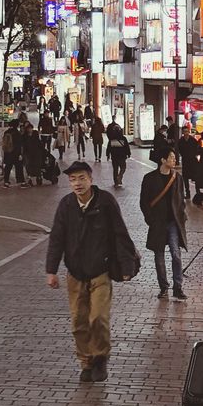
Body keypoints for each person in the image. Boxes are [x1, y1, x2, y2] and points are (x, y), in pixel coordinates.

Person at [45, 161, 139, 384]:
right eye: (72, 180)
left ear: (90, 179)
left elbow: (120, 233)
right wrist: (51, 270)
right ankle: (86, 361)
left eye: (81, 178)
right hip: (75, 273)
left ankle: (100, 357)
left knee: (98, 317)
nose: (77, 183)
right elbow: (57, 238)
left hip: (100, 271)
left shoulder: (105, 202)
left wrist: (127, 266)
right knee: (79, 321)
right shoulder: (66, 205)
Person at [140, 147, 187, 301]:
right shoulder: (149, 178)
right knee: (159, 256)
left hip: (173, 222)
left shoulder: (177, 177)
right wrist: (150, 219)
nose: (174, 160)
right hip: (157, 223)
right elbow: (144, 202)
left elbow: (181, 199)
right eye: (172, 157)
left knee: (176, 254)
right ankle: (164, 287)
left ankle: (178, 287)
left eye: (174, 157)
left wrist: (181, 216)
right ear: (163, 160)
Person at [105, 119, 131, 187]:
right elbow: (127, 147)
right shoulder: (123, 138)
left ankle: (116, 182)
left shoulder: (112, 139)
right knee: (123, 167)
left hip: (114, 156)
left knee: (115, 169)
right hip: (122, 156)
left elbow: (109, 148)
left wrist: (108, 155)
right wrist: (128, 153)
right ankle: (120, 176)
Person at [2, 120, 26, 187]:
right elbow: (19, 145)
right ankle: (21, 181)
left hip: (8, 153)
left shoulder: (6, 132)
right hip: (15, 153)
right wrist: (20, 154)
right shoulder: (17, 133)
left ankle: (6, 182)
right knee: (19, 167)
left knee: (8, 168)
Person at [179, 130, 201, 200]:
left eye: (187, 131)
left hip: (193, 161)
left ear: (189, 132)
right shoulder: (181, 141)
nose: (186, 133)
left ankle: (198, 193)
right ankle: (188, 193)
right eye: (184, 131)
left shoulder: (193, 140)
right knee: (185, 178)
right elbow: (179, 149)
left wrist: (194, 154)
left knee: (196, 178)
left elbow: (197, 148)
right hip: (185, 161)